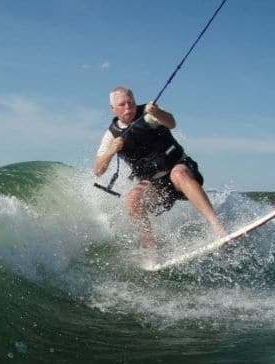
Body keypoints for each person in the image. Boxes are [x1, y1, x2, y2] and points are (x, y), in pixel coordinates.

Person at [94, 86, 226, 252]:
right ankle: (152, 251)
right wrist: (111, 151)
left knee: (178, 174)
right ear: (113, 108)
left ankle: (217, 225)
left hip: (180, 169)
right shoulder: (111, 135)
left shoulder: (149, 113)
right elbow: (98, 170)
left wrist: (157, 112)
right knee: (132, 199)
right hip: (156, 186)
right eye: (122, 104)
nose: (128, 107)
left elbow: (171, 123)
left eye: (131, 102)